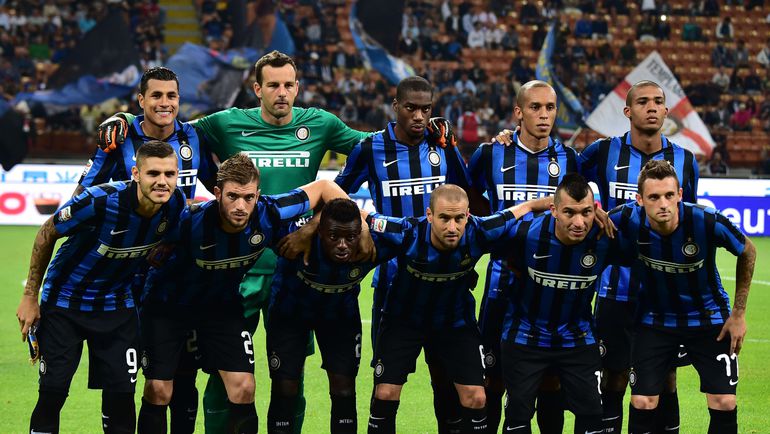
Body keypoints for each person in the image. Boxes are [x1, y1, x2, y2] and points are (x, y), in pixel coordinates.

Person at [136, 153, 355, 434]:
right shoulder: (189, 222)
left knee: (244, 387)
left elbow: (325, 188)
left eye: (249, 197)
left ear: (258, 195)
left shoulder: (269, 212)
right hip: (168, 307)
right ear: (217, 193)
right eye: (233, 197)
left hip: (221, 306)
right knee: (159, 390)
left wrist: (311, 230)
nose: (241, 206)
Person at [333, 76, 476, 433]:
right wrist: (360, 228)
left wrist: (452, 145)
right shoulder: (370, 148)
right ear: (395, 106)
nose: (419, 116)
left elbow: (467, 195)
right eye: (411, 108)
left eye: (426, 109)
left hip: (445, 285)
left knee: (445, 379)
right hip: (393, 285)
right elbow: (336, 196)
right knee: (386, 386)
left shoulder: (441, 145)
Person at [16, 141, 186, 434]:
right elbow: (47, 232)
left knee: (122, 397)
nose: (162, 181)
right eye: (153, 173)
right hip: (64, 303)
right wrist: (31, 295)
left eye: (169, 174)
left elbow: (170, 242)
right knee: (53, 393)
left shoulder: (175, 204)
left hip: (116, 306)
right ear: (136, 174)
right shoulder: (100, 201)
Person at [82, 66, 216, 433]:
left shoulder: (193, 137)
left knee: (182, 373)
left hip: (177, 275)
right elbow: (84, 195)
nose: (164, 103)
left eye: (171, 95)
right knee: (120, 376)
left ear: (179, 99)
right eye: (156, 95)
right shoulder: (119, 136)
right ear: (141, 100)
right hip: (123, 276)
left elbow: (218, 187)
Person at [365, 185, 547, 434]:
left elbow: (523, 208)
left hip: (455, 322)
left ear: (468, 215)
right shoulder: (406, 231)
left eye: (459, 218)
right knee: (385, 393)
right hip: (403, 320)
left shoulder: (480, 230)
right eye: (444, 218)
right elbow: (362, 215)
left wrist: (578, 209)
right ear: (429, 215)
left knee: (476, 397)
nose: (452, 227)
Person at [578, 80, 699, 434]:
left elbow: (688, 222)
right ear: (628, 111)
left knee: (666, 378)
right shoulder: (603, 152)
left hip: (665, 294)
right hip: (615, 290)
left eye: (658, 101)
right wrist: (593, 208)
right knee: (613, 375)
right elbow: (568, 185)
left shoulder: (685, 160)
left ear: (666, 111)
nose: (651, 107)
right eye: (643, 101)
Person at [468, 79, 579, 433]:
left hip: (552, 289)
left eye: (550, 108)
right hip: (502, 284)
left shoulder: (570, 159)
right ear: (518, 112)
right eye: (535, 107)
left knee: (550, 382)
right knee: (492, 380)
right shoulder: (490, 154)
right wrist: (495, 237)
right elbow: (470, 198)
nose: (544, 115)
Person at [614, 160, 756, 434]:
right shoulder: (627, 217)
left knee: (724, 402)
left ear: (680, 194)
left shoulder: (706, 220)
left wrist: (738, 314)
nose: (663, 204)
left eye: (669, 195)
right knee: (642, 401)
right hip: (654, 321)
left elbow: (748, 250)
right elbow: (591, 220)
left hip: (709, 320)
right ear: (639, 200)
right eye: (654, 197)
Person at [500, 173, 634, 434]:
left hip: (578, 337)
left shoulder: (604, 238)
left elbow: (645, 253)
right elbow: (482, 241)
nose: (579, 222)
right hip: (524, 336)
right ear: (554, 210)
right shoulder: (524, 234)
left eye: (586, 212)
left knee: (592, 413)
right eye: (569, 212)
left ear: (595, 211)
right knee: (517, 417)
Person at [265, 198, 381, 433]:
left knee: (344, 389)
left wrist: (366, 228)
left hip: (340, 316)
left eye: (350, 237)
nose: (342, 245)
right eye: (333, 237)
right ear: (319, 231)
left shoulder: (375, 241)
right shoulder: (292, 236)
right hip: (289, 314)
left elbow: (416, 231)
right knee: (285, 388)